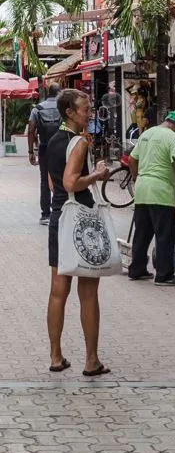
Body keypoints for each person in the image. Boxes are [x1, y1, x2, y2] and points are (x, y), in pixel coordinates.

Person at [46, 88, 111, 376]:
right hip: (81, 219)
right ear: (70, 113)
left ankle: (56, 356)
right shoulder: (79, 143)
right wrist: (97, 174)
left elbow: (54, 184)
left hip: (59, 216)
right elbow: (72, 182)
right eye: (84, 109)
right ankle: (91, 360)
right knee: (88, 293)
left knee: (58, 292)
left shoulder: (52, 141)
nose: (89, 113)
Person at [127, 111, 175, 286]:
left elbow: (132, 160)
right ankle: (164, 276)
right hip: (161, 191)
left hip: (142, 189)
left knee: (142, 233)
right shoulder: (173, 138)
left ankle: (137, 269)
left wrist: (137, 179)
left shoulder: (147, 133)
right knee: (164, 235)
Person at [28, 82, 63, 225]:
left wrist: (31, 151)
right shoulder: (63, 108)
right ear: (59, 93)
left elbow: (31, 130)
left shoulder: (37, 109)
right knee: (61, 179)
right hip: (61, 148)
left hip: (44, 148)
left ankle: (45, 215)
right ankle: (59, 211)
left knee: (44, 181)